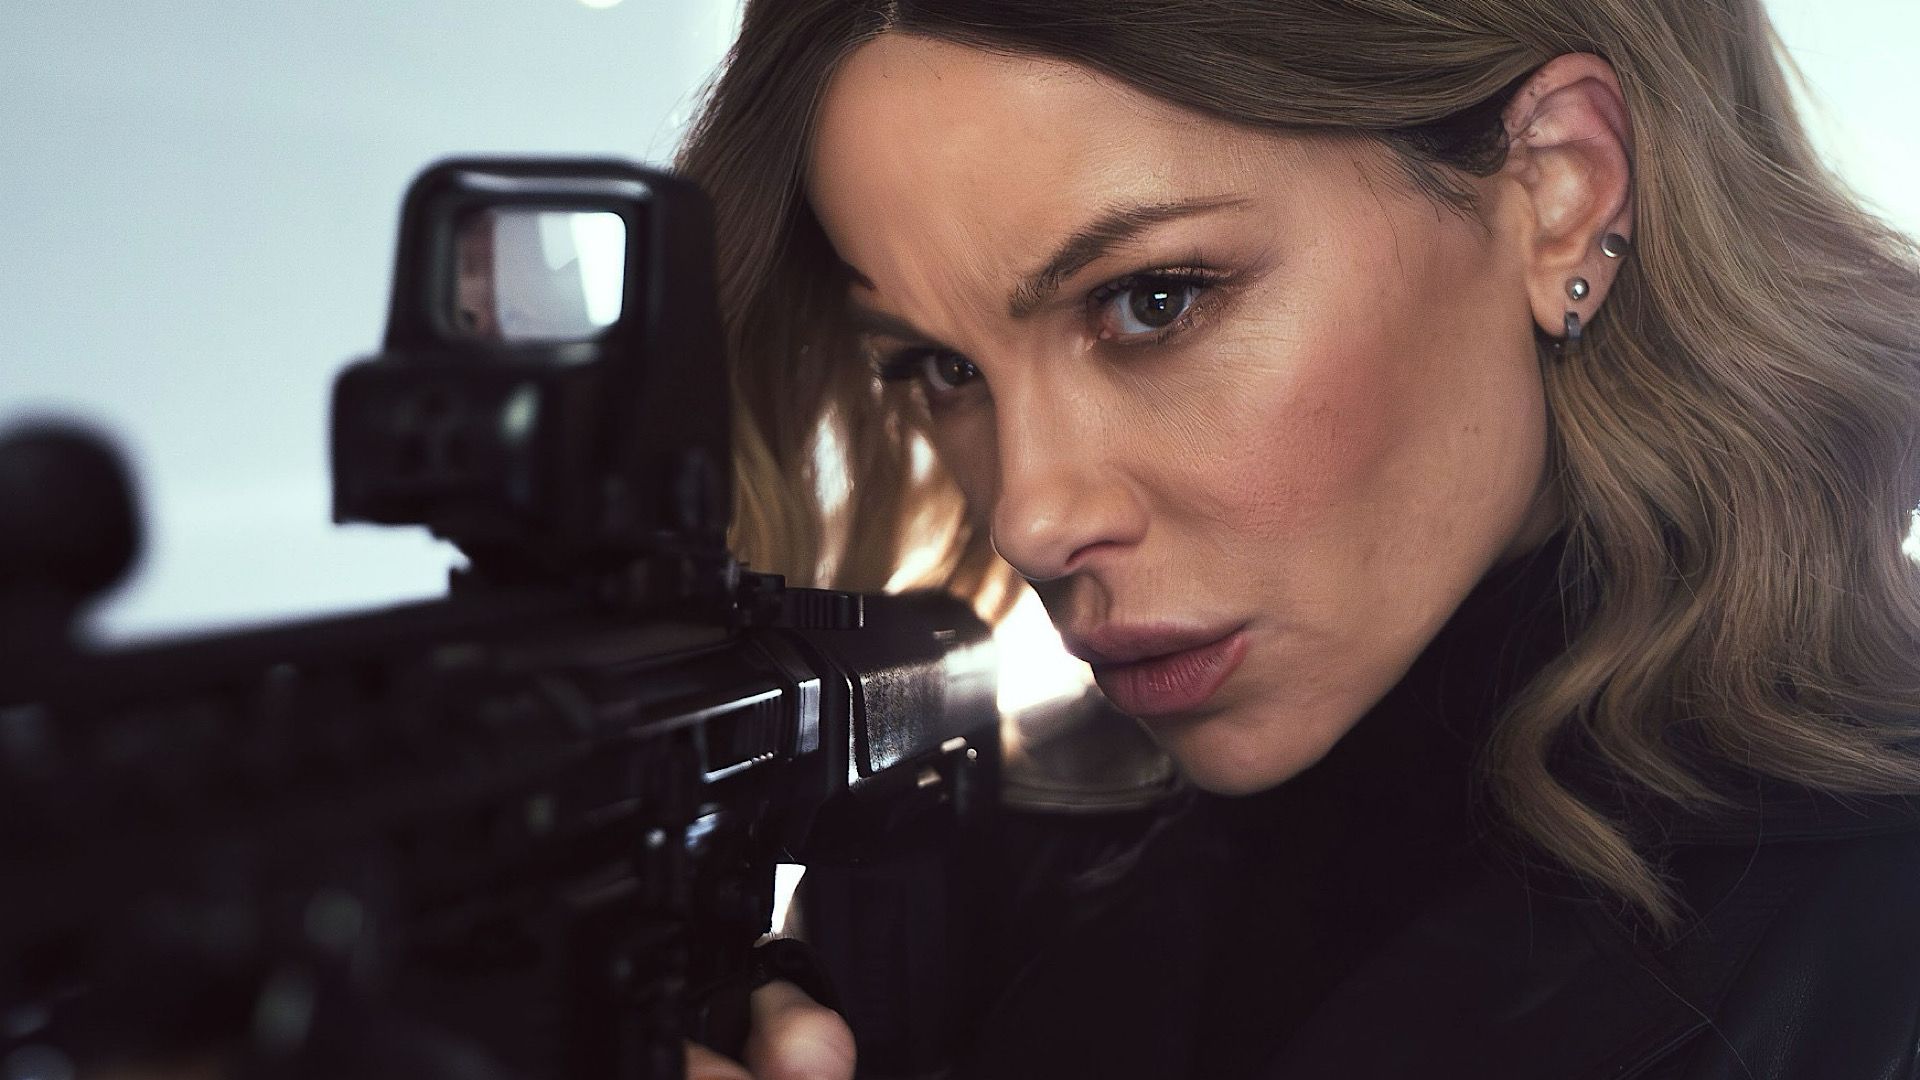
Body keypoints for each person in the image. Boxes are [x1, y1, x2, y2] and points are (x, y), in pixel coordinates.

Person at [674, 0, 1920, 1077]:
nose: (1031, 519)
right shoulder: (949, 896)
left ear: (1559, 193)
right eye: (940, 369)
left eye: (1152, 301)